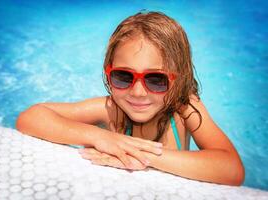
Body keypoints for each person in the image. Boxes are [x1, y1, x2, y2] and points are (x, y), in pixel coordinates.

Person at [16, 11, 245, 186]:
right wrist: (99, 136)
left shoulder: (184, 109)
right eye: (123, 76)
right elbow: (31, 117)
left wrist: (141, 154)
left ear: (180, 80)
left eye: (156, 79)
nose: (137, 92)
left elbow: (231, 169)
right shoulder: (112, 109)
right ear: (109, 71)